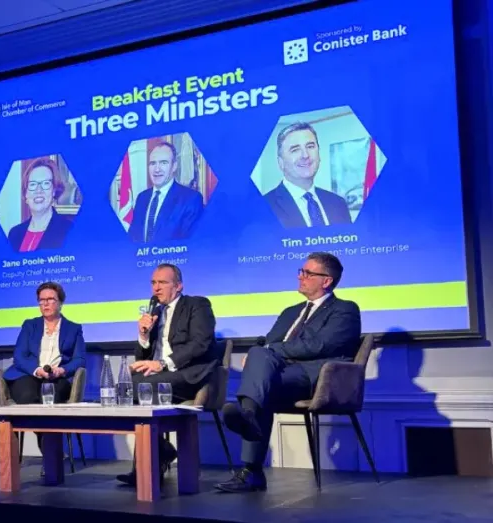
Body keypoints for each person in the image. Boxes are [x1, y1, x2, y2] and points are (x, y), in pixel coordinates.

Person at [216, 252, 361, 493]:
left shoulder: (344, 310)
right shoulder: (290, 312)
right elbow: (268, 343)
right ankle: (250, 426)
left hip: (315, 376)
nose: (300, 277)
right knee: (259, 365)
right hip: (281, 373)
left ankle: (251, 467)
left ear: (326, 281)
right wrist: (264, 352)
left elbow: (319, 346)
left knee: (261, 376)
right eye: (301, 271)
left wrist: (270, 351)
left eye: (308, 273)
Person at [117, 263, 219, 486]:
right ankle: (159, 455)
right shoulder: (155, 312)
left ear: (178, 286)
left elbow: (200, 344)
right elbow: (142, 356)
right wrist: (143, 335)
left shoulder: (197, 305)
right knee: (125, 386)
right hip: (161, 377)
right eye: (153, 283)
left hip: (188, 376)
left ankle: (148, 466)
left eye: (162, 282)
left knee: (139, 387)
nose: (156, 288)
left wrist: (162, 363)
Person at [2, 281, 87, 446]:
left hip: (57, 378)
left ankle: (50, 453)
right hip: (28, 375)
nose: (45, 303)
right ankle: (49, 448)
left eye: (50, 299)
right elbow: (19, 356)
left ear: (60, 302)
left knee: (50, 403)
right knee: (28, 397)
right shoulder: (30, 325)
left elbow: (80, 359)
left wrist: (62, 370)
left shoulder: (73, 328)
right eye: (41, 300)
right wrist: (37, 370)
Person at [262, 122, 352, 229]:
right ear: (281, 162)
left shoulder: (338, 203)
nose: (305, 155)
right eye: (295, 150)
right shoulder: (263, 208)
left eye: (310, 146)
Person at [128, 140, 204, 243]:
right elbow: (133, 237)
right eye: (153, 163)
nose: (157, 169)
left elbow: (190, 244)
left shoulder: (191, 199)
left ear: (174, 166)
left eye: (163, 163)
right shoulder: (142, 198)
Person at [6, 158, 74, 252]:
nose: (38, 190)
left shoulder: (69, 231)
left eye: (46, 183)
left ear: (54, 191)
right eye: (32, 184)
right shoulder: (14, 234)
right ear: (26, 194)